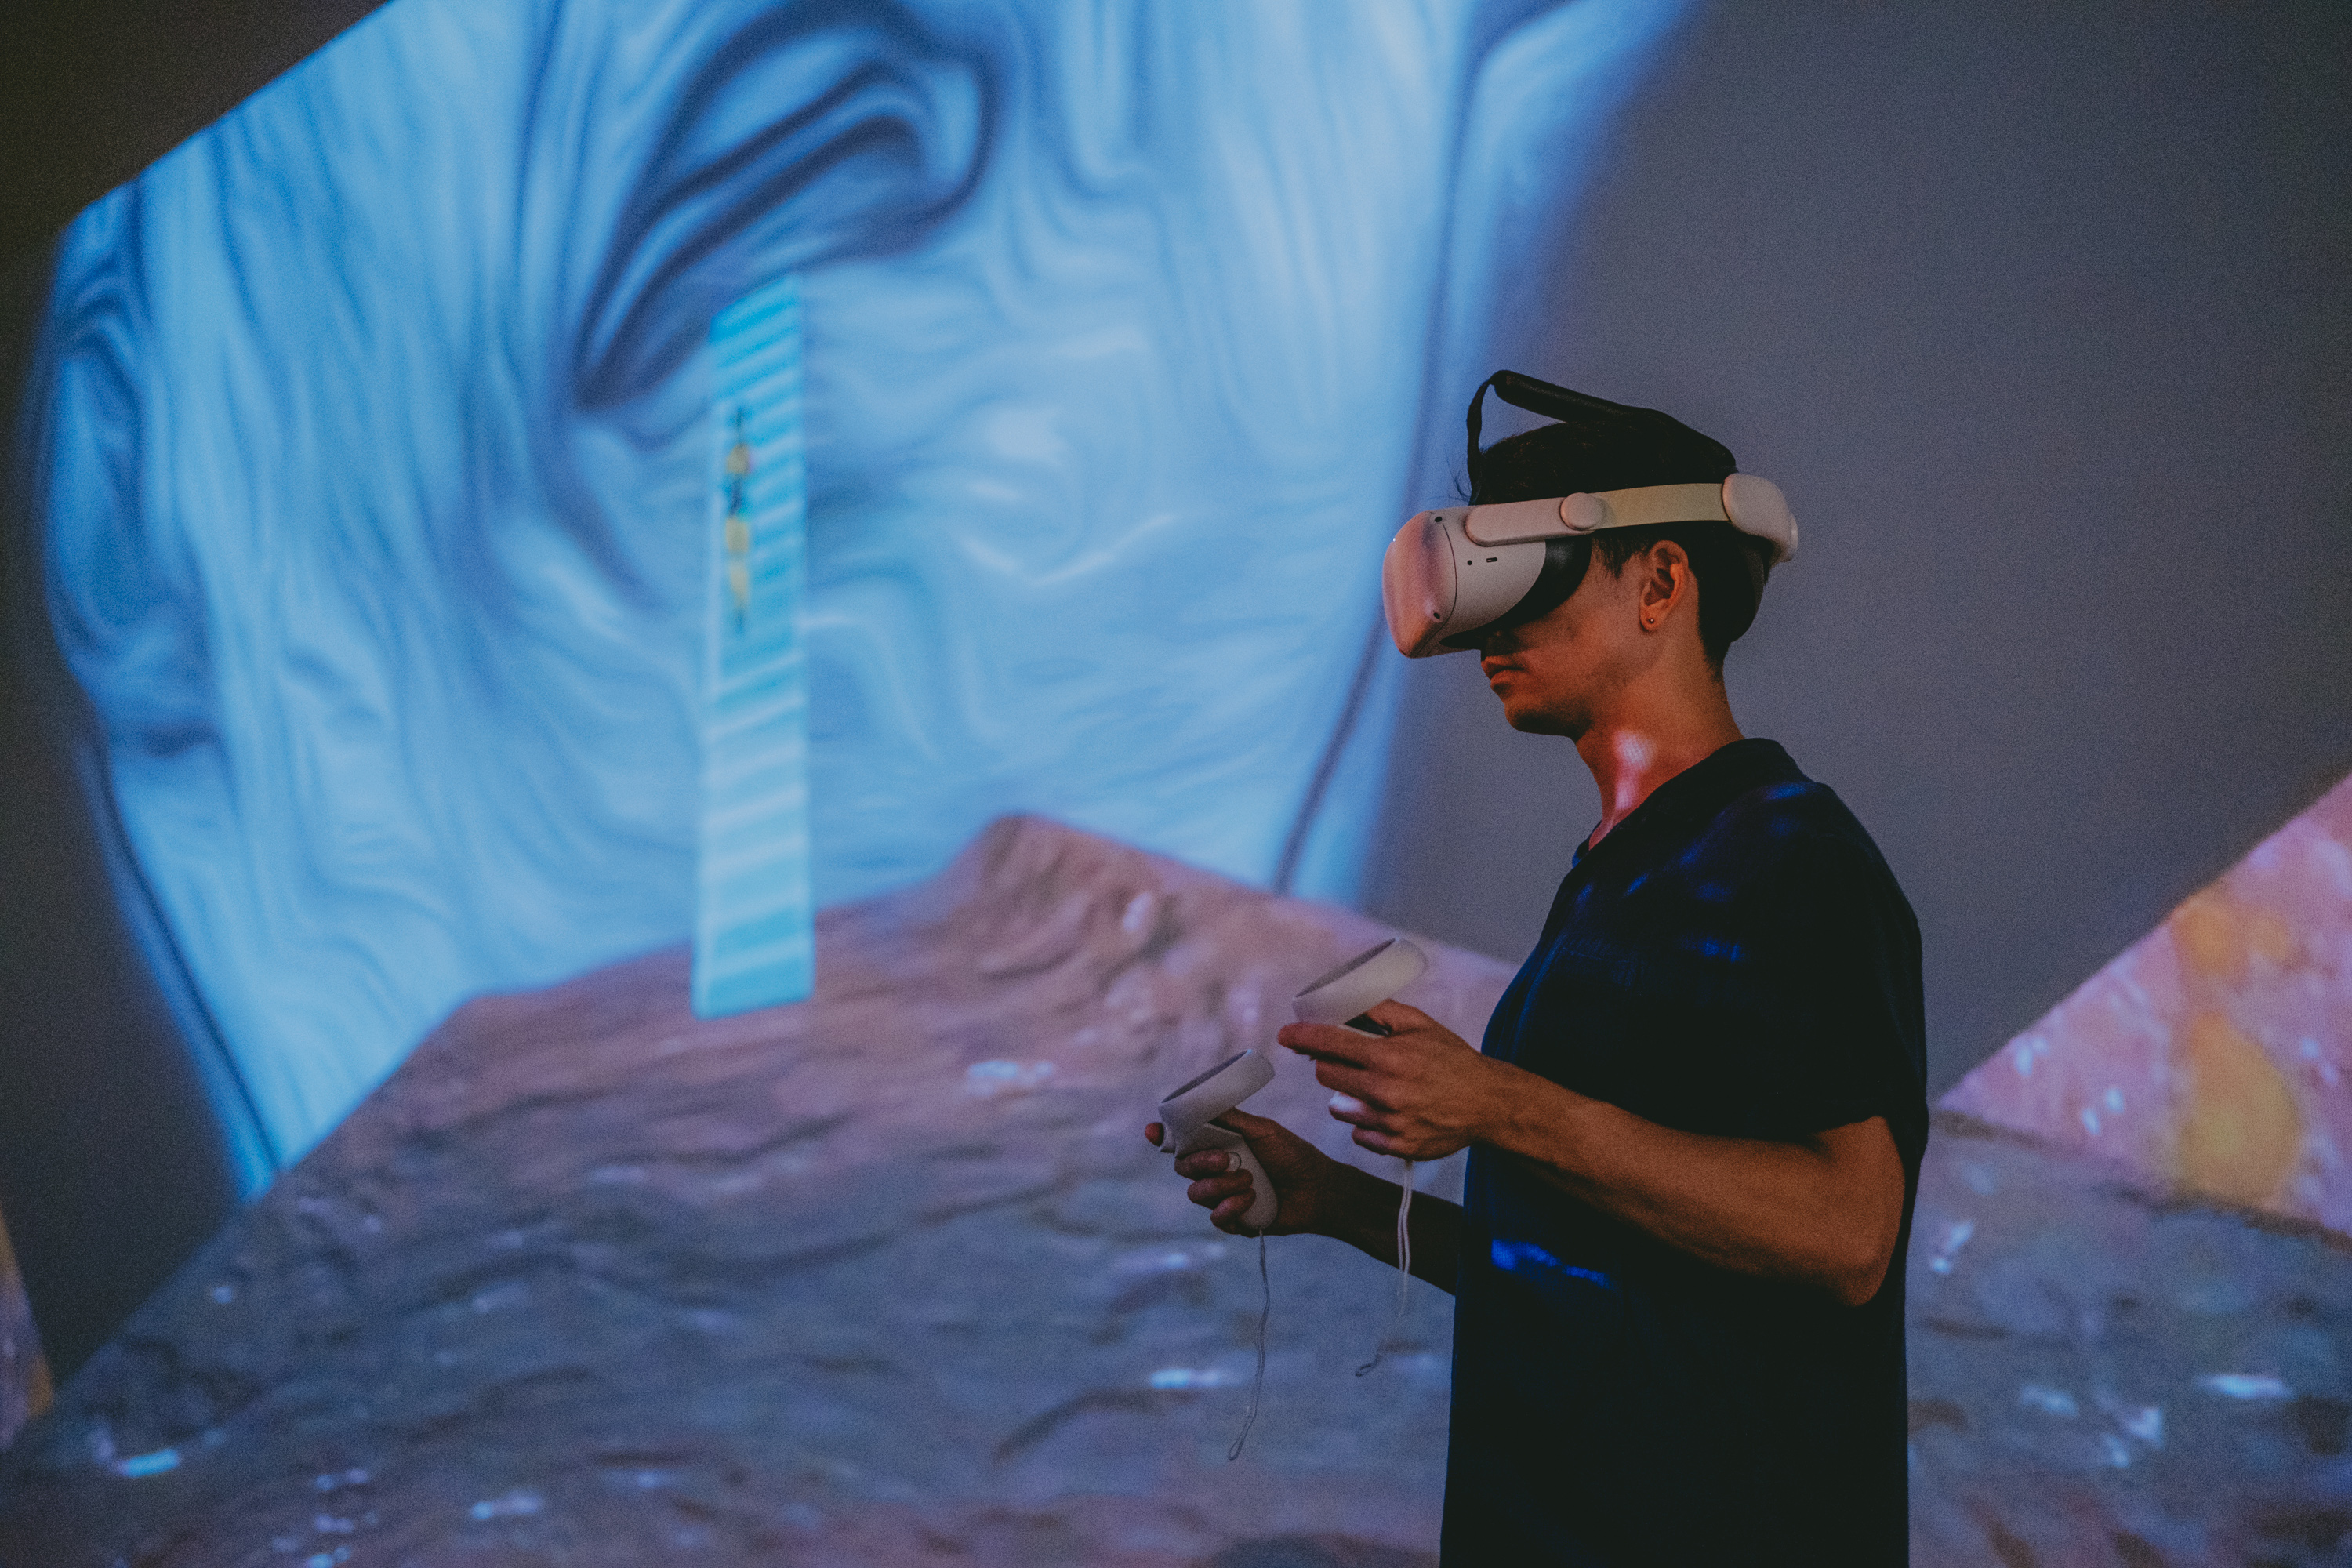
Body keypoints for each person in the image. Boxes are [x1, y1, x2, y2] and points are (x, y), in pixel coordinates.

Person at [1148, 373, 1928, 1565]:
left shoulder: (1787, 853)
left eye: (1527, 574)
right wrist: (1334, 1203)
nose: (1484, 634)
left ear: (1660, 582)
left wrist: (1502, 1105)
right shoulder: (1620, 872)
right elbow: (1605, 1263)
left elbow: (1848, 1231)